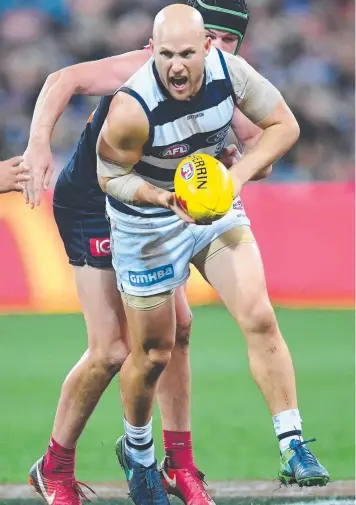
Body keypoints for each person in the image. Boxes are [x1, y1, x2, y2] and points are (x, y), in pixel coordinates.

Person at [25, 2, 260, 504]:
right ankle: (53, 468)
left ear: (234, 47)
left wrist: (235, 162)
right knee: (111, 349)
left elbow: (260, 142)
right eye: (208, 37)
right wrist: (38, 145)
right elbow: (62, 79)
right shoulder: (147, 68)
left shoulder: (222, 80)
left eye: (224, 41)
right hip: (96, 200)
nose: (212, 50)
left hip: (155, 207)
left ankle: (180, 466)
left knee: (178, 331)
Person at [95, 3, 329, 504]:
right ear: (152, 51)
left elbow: (284, 126)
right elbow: (109, 175)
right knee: (154, 353)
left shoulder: (232, 72)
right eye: (164, 55)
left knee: (260, 316)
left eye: (186, 53)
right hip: (148, 227)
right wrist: (161, 198)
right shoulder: (133, 107)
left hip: (214, 208)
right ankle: (137, 451)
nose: (175, 66)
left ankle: (292, 444)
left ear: (206, 48)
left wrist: (232, 180)